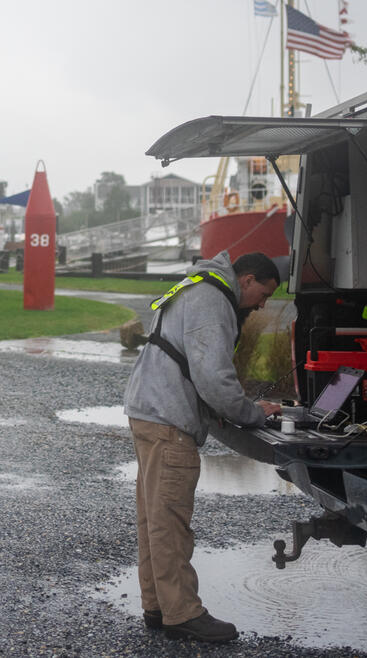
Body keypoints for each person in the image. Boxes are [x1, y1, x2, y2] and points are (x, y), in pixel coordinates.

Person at [122, 250, 282, 642]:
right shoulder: (212, 299)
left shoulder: (196, 284)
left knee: (154, 520)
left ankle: (158, 605)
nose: (263, 304)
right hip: (168, 419)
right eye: (264, 293)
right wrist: (252, 413)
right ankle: (183, 614)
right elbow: (213, 378)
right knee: (171, 521)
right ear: (246, 280)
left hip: (149, 409)